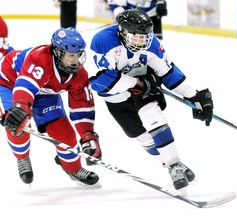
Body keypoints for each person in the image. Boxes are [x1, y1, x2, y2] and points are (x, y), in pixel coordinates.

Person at [88, 8, 213, 190]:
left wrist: (193, 95)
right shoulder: (103, 41)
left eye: (145, 36)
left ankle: (174, 165)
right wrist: (139, 82)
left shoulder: (151, 43)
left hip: (144, 90)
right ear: (122, 32)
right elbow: (104, 81)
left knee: (152, 114)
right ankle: (168, 163)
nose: (142, 41)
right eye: (137, 36)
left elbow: (169, 73)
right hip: (117, 97)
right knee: (142, 137)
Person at [0, 27, 101, 186]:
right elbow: (25, 86)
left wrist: (87, 135)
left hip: (44, 90)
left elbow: (82, 107)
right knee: (18, 124)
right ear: (58, 52)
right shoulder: (39, 59)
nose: (75, 60)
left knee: (64, 132)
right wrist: (20, 107)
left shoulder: (80, 76)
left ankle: (73, 168)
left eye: (78, 55)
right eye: (70, 56)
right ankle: (22, 158)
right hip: (9, 82)